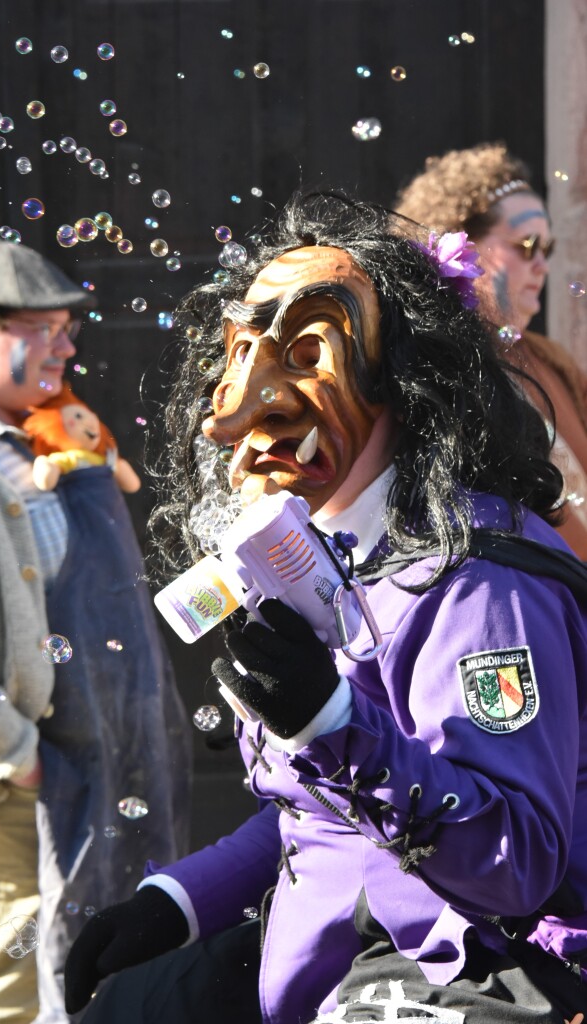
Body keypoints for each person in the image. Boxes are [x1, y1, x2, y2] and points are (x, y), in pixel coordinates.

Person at [63, 191, 587, 1024]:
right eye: (240, 352)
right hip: (312, 959)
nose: (235, 408)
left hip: (462, 966)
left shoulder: (483, 582)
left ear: (403, 382)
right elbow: (317, 818)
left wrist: (327, 718)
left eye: (306, 350)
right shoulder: (316, 551)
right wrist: (178, 900)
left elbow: (514, 860)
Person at [0, 237, 191, 1024]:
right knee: (8, 985)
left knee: (82, 971)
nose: (69, 345)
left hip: (82, 764)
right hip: (7, 783)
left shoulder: (36, 430)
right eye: (46, 327)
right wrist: (18, 758)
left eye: (70, 327)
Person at [395, 141, 587, 559]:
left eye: (547, 250)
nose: (543, 265)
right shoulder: (433, 374)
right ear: (463, 244)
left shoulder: (551, 361)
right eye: (526, 245)